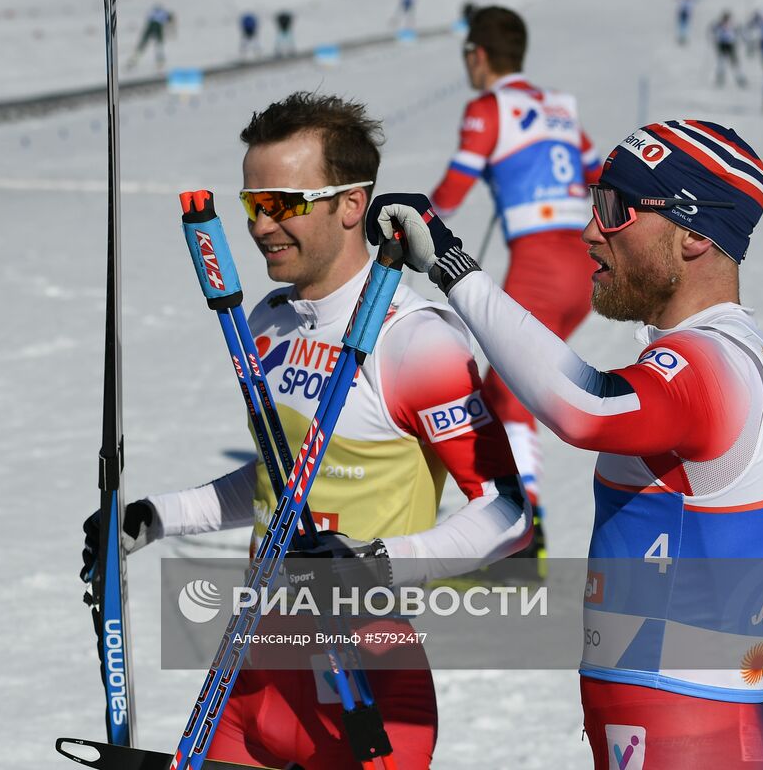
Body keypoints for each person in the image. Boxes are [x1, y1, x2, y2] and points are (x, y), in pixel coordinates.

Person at [81, 93, 529, 770]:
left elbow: (507, 516)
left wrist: (374, 561)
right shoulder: (268, 320)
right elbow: (278, 482)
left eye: (281, 204)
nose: (261, 227)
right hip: (253, 671)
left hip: (362, 682)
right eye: (251, 205)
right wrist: (155, 517)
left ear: (351, 205)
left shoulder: (416, 343)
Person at [368, 118, 763, 769]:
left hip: (691, 734)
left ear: (694, 234)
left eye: (614, 210)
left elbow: (584, 409)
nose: (588, 232)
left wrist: (452, 266)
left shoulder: (712, 367)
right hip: (709, 724)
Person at [430, 5, 601, 562]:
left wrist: (409, 220)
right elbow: (599, 178)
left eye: (465, 57)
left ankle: (521, 533)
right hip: (582, 263)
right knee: (509, 387)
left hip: (540, 263)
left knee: (509, 392)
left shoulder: (487, 107)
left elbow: (452, 190)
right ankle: (517, 524)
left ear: (478, 55)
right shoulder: (558, 108)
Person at [129, 3, 173, 68]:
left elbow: (148, 18)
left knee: (145, 43)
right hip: (157, 26)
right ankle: (160, 60)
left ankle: (135, 57)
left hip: (151, 26)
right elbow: (169, 19)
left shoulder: (152, 12)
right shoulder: (163, 13)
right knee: (158, 44)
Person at [710, 10, 747, 88]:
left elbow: (739, 31)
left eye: (727, 18)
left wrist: (742, 38)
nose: (725, 20)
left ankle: (739, 77)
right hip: (722, 44)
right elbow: (712, 29)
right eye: (725, 18)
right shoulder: (719, 24)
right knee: (721, 62)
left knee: (734, 62)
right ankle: (720, 77)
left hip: (730, 44)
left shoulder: (732, 24)